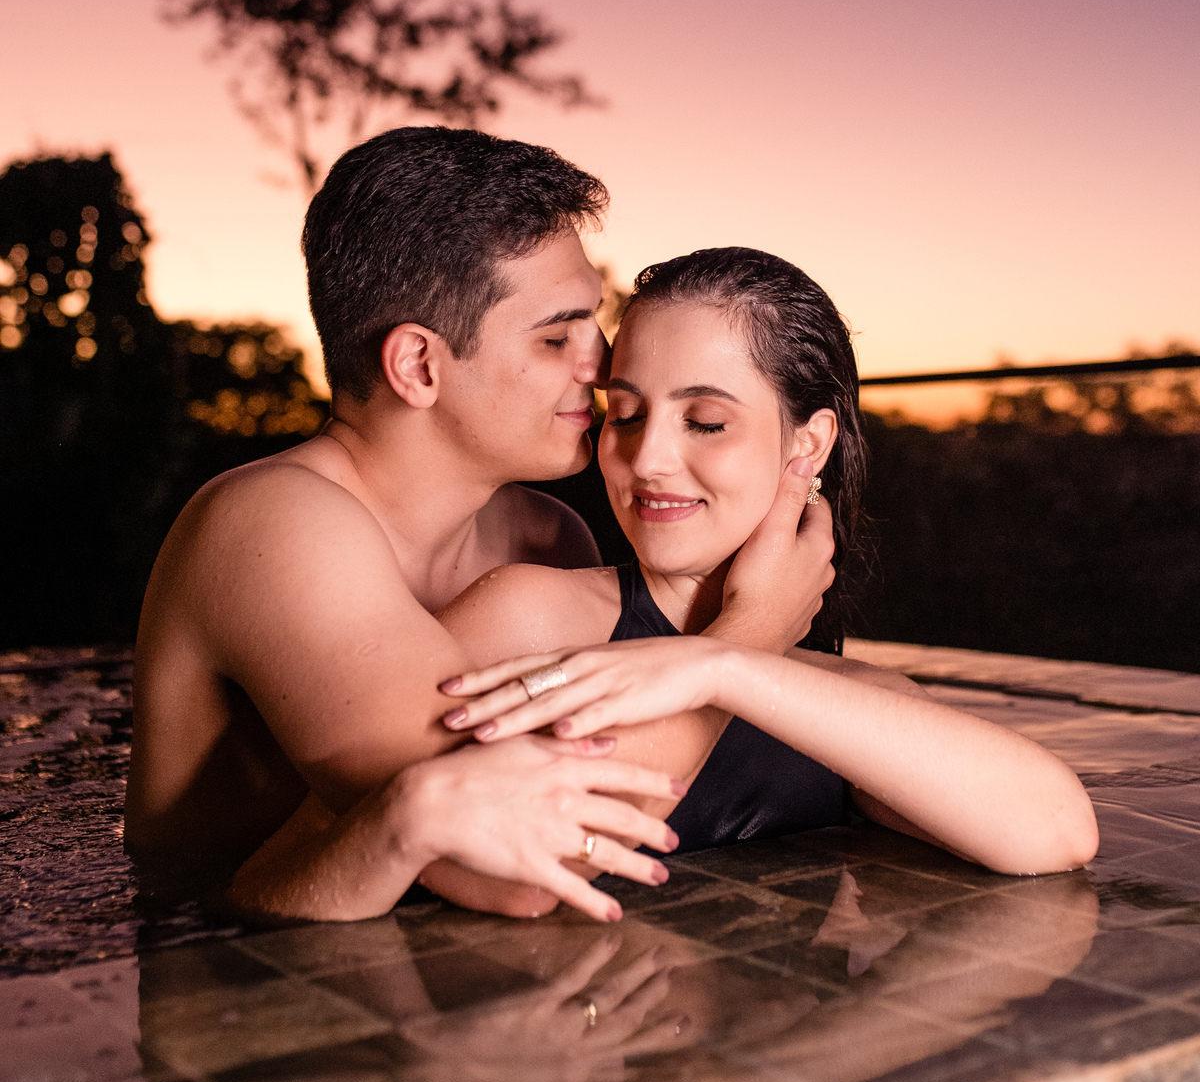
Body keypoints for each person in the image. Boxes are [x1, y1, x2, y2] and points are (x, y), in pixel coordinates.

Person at [127, 134, 834, 921]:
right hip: (228, 952)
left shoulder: (546, 536)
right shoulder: (271, 524)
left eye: (593, 325)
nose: (602, 366)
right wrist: (753, 633)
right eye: (556, 337)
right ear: (419, 366)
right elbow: (524, 864)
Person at [438, 248, 1099, 877]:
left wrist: (723, 666)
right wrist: (743, 638)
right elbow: (521, 857)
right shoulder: (529, 616)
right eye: (628, 414)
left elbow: (1056, 833)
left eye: (705, 421)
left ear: (808, 445)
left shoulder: (824, 697)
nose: (647, 460)